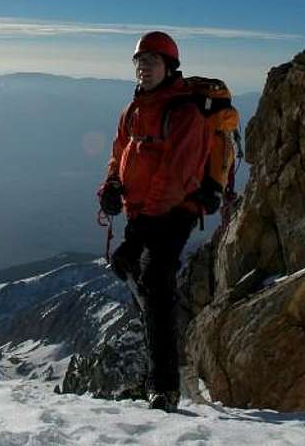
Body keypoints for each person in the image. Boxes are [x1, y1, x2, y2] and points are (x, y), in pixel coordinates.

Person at [97, 31, 210, 412]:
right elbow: (119, 153)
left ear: (170, 67)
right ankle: (156, 350)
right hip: (141, 211)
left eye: (152, 61)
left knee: (157, 287)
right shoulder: (133, 110)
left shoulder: (184, 113)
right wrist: (111, 185)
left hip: (175, 213)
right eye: (139, 61)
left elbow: (174, 177)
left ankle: (164, 388)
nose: (144, 68)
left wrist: (142, 227)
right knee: (129, 268)